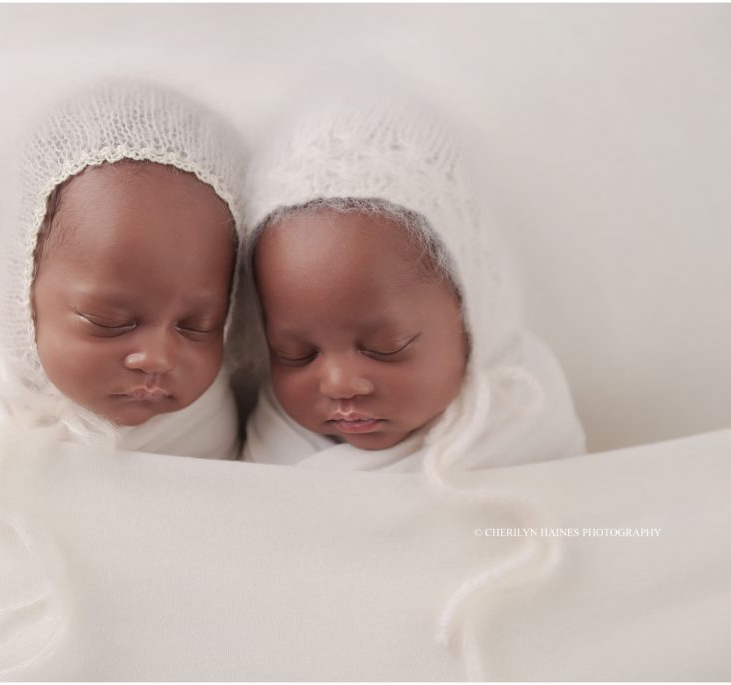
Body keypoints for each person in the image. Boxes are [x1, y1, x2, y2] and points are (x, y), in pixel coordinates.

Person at [238, 92, 586, 471]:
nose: (339, 384)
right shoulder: (274, 436)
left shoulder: (522, 405)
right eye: (296, 355)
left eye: (386, 347)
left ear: (472, 318)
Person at [0, 80, 246, 459]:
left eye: (197, 327)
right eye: (108, 321)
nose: (159, 357)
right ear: (24, 294)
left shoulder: (202, 415)